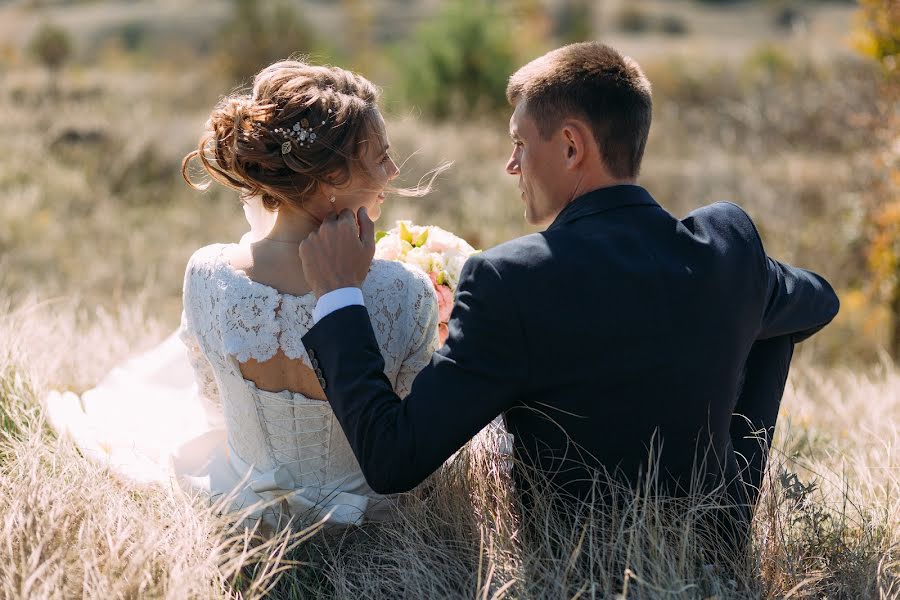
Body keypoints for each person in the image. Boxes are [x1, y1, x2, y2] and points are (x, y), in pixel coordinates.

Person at [296, 42, 840, 540]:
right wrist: (738, 477)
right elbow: (819, 302)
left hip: (576, 573)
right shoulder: (727, 247)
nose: (512, 165)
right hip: (713, 566)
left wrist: (339, 295)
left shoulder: (511, 280)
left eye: (519, 143)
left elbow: (394, 458)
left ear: (572, 146)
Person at [46, 60, 443, 530]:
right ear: (332, 178)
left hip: (241, 503)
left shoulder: (208, 274)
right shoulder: (404, 291)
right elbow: (410, 433)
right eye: (381, 157)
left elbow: (213, 402)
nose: (394, 170)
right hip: (367, 519)